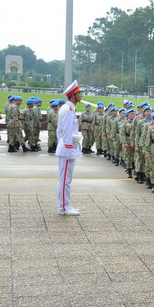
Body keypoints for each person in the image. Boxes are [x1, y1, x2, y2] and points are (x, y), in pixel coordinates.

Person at [56, 81, 83, 216]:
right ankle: (64, 207)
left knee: (66, 179)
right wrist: (69, 150)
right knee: (65, 179)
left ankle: (66, 205)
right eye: (79, 93)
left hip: (68, 148)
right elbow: (65, 132)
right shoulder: (68, 109)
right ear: (73, 95)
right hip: (68, 150)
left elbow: (59, 131)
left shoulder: (68, 108)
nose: (81, 96)